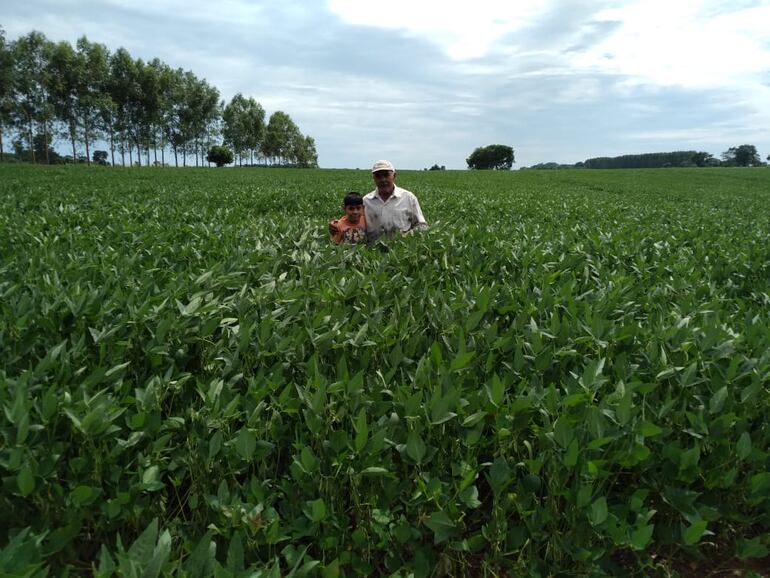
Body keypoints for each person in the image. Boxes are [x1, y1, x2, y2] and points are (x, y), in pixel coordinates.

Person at [329, 160, 427, 242]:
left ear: (394, 176)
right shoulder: (366, 201)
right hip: (373, 253)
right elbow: (353, 219)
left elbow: (422, 226)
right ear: (374, 178)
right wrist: (336, 225)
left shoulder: (408, 198)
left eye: (386, 175)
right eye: (378, 176)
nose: (383, 179)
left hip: (401, 253)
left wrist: (405, 238)